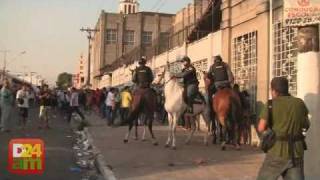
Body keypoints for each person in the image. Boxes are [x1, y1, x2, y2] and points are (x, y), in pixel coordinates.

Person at [257, 77, 310, 180]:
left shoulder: (270, 105)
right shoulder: (299, 103)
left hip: (276, 152)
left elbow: (261, 127)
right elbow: (306, 124)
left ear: (273, 90)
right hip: (297, 152)